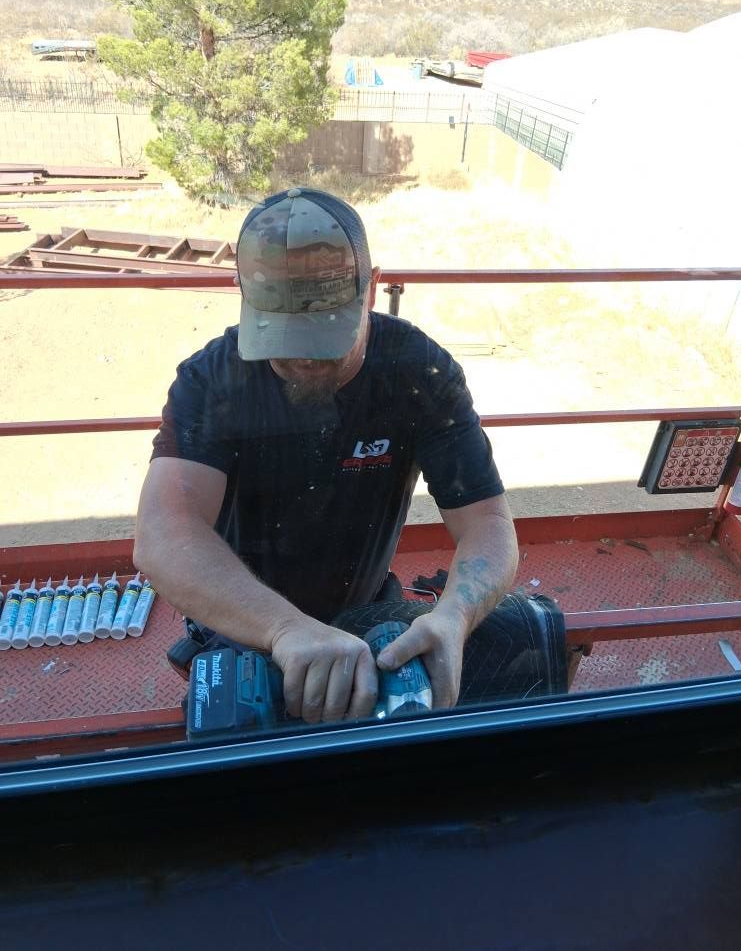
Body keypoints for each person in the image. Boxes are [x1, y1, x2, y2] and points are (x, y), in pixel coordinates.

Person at [135, 187, 557, 726]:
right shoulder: (212, 380)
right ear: (241, 293)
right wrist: (284, 630)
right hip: (242, 619)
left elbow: (487, 523)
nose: (306, 357)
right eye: (283, 336)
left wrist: (454, 616)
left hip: (369, 604)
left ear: (372, 289)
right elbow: (164, 535)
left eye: (325, 334)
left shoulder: (418, 372)